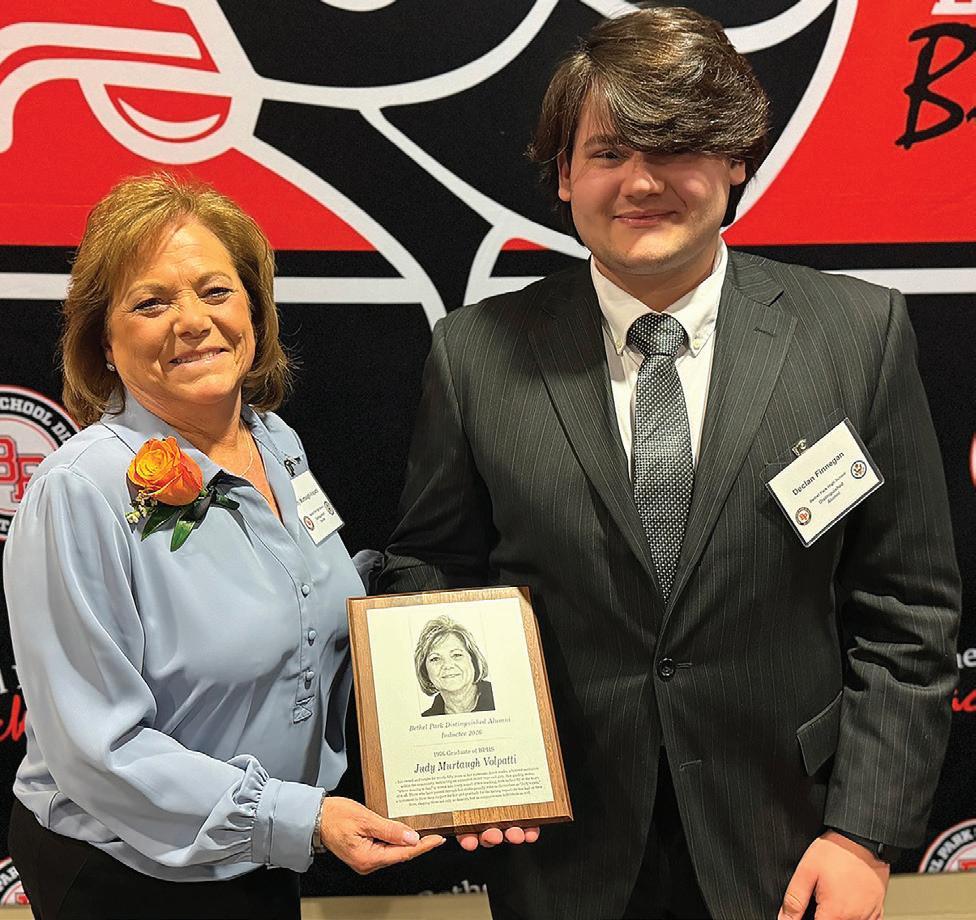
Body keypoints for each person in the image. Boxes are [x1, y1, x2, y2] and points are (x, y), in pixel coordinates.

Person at [380, 7, 961, 920]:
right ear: (564, 174)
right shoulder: (475, 354)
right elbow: (433, 569)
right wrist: (462, 761)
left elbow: (909, 610)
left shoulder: (858, 335)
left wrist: (862, 834)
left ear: (736, 160)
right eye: (608, 152)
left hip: (789, 842)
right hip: (561, 852)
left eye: (677, 148)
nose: (642, 182)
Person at [2, 174, 444, 920]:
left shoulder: (275, 443)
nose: (193, 322)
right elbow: (97, 750)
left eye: (215, 292)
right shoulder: (79, 492)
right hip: (129, 875)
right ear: (103, 341)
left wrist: (420, 606)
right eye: (151, 303)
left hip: (258, 852)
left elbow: (305, 603)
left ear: (253, 311)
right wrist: (299, 818)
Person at [414, 616, 495, 717]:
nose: (447, 665)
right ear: (424, 670)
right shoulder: (425, 720)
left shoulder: (502, 698)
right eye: (435, 658)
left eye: (456, 655)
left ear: (474, 660)